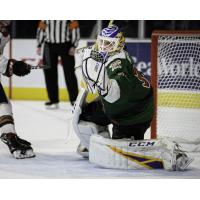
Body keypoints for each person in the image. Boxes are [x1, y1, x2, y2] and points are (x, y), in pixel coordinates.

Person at [72, 24, 193, 171]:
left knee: (126, 153)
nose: (103, 47)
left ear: (119, 44)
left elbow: (113, 94)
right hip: (121, 107)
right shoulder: (116, 52)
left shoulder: (118, 63)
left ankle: (169, 154)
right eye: (101, 42)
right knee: (85, 115)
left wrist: (101, 84)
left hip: (133, 115)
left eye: (108, 43)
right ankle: (89, 144)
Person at [0, 21, 35, 159]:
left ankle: (10, 135)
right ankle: (9, 136)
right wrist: (11, 66)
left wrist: (11, 66)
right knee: (3, 105)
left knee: (3, 104)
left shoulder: (4, 32)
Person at [36, 20, 80, 109]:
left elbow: (75, 28)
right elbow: (41, 29)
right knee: (49, 72)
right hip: (49, 45)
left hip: (66, 45)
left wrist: (74, 45)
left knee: (69, 72)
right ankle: (53, 100)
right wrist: (39, 44)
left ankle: (74, 99)